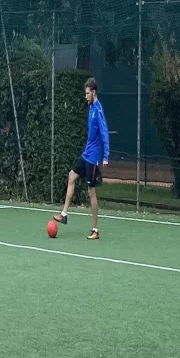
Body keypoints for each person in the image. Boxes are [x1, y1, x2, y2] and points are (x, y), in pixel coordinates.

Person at [53, 77, 110, 241]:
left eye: (87, 93)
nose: (85, 96)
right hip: (86, 154)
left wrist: (105, 156)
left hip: (93, 158)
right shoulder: (91, 107)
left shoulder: (98, 110)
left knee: (91, 192)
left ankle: (95, 229)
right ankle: (64, 214)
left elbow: (104, 132)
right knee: (71, 176)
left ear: (93, 92)